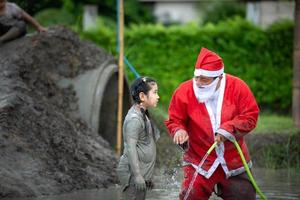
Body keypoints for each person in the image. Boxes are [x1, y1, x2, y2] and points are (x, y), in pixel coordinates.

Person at [165, 47, 259, 200]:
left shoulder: (238, 87)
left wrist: (227, 129)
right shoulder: (184, 91)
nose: (199, 83)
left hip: (233, 160)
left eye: (204, 79)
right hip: (198, 161)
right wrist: (178, 130)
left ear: (219, 78)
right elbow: (175, 119)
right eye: (197, 77)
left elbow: (250, 116)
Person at [117, 76, 160, 200]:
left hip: (141, 173)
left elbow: (145, 145)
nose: (158, 96)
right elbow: (130, 148)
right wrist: (137, 176)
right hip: (132, 175)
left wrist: (147, 177)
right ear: (142, 96)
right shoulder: (134, 119)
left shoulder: (143, 114)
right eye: (155, 92)